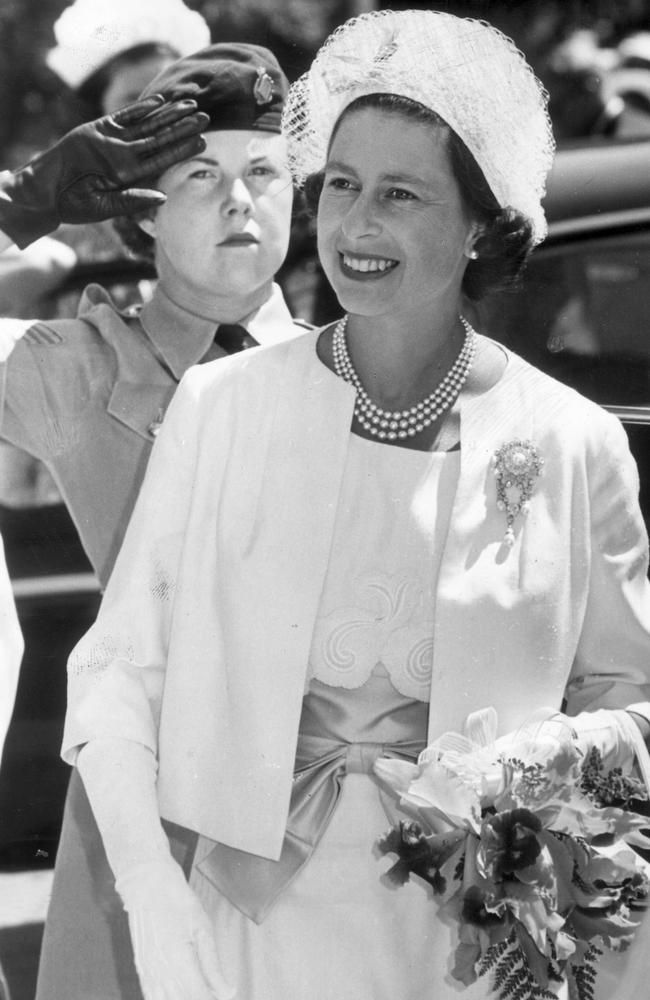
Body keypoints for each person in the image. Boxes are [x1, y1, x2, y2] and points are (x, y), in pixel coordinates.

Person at [62, 10, 650, 1000]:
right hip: (245, 939)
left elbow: (631, 703)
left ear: (477, 224)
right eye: (339, 186)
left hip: (478, 952)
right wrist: (153, 898)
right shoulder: (221, 405)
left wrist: (539, 761)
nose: (355, 225)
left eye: (400, 194)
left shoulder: (570, 439)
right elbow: (118, 676)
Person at [0, 43, 302, 1000]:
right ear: (140, 209)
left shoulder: (355, 369)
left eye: (265, 172)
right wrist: (18, 206)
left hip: (329, 815)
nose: (239, 201)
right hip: (148, 816)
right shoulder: (80, 365)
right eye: (200, 176)